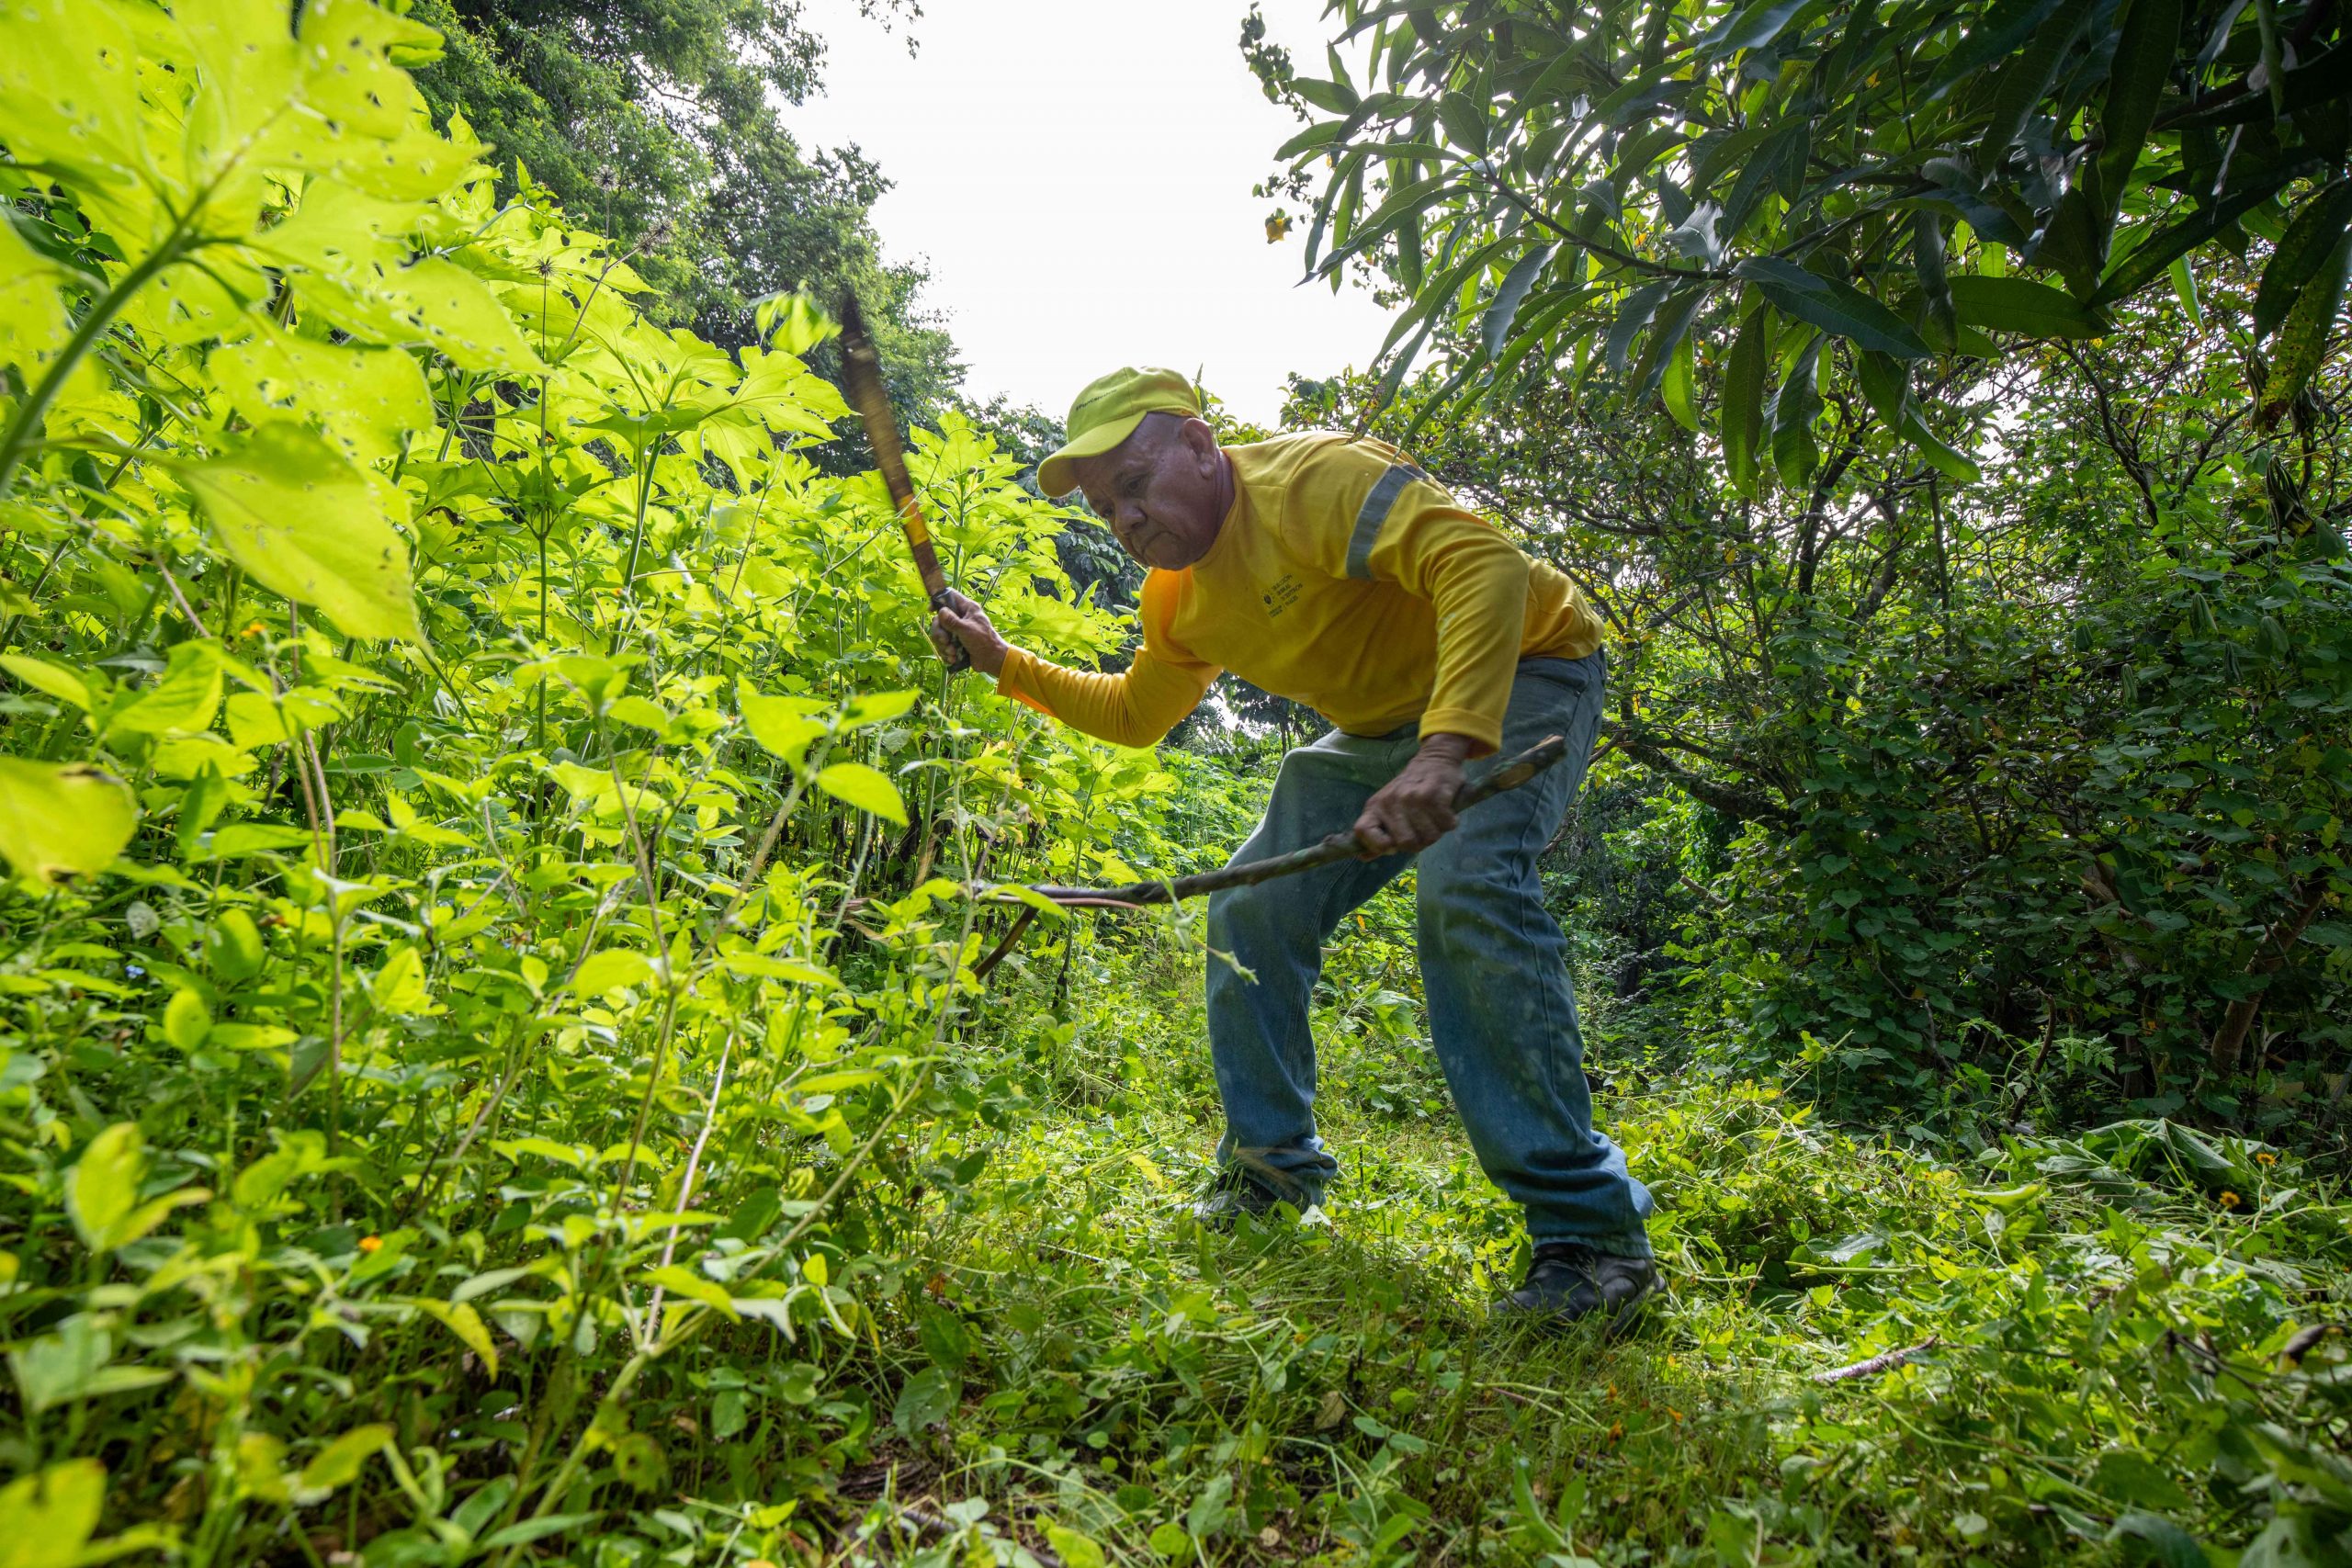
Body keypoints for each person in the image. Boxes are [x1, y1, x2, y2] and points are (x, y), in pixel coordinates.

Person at [929, 367, 1657, 1326]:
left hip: (1525, 668)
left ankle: (1591, 1241)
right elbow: (1139, 714)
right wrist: (1001, 663)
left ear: (1197, 443)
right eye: (1109, 509)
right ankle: (1270, 1176)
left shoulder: (1315, 483)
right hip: (1372, 731)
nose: (1128, 520)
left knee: (1466, 886)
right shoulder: (1175, 597)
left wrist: (1448, 748)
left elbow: (1485, 568)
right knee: (1248, 904)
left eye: (1135, 483)